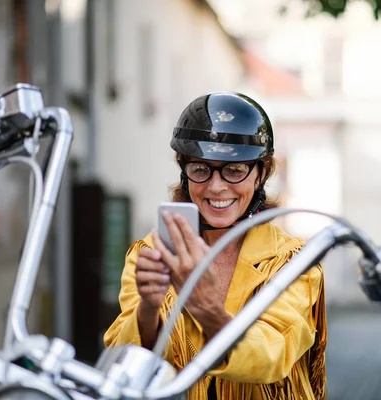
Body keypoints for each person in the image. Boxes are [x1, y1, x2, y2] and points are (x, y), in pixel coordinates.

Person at [103, 91, 328, 399]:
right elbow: (126, 364)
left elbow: (271, 358)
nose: (216, 185)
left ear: (261, 174)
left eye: (235, 170)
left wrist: (207, 309)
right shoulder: (151, 253)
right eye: (200, 169)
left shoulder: (292, 263)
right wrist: (149, 309)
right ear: (184, 172)